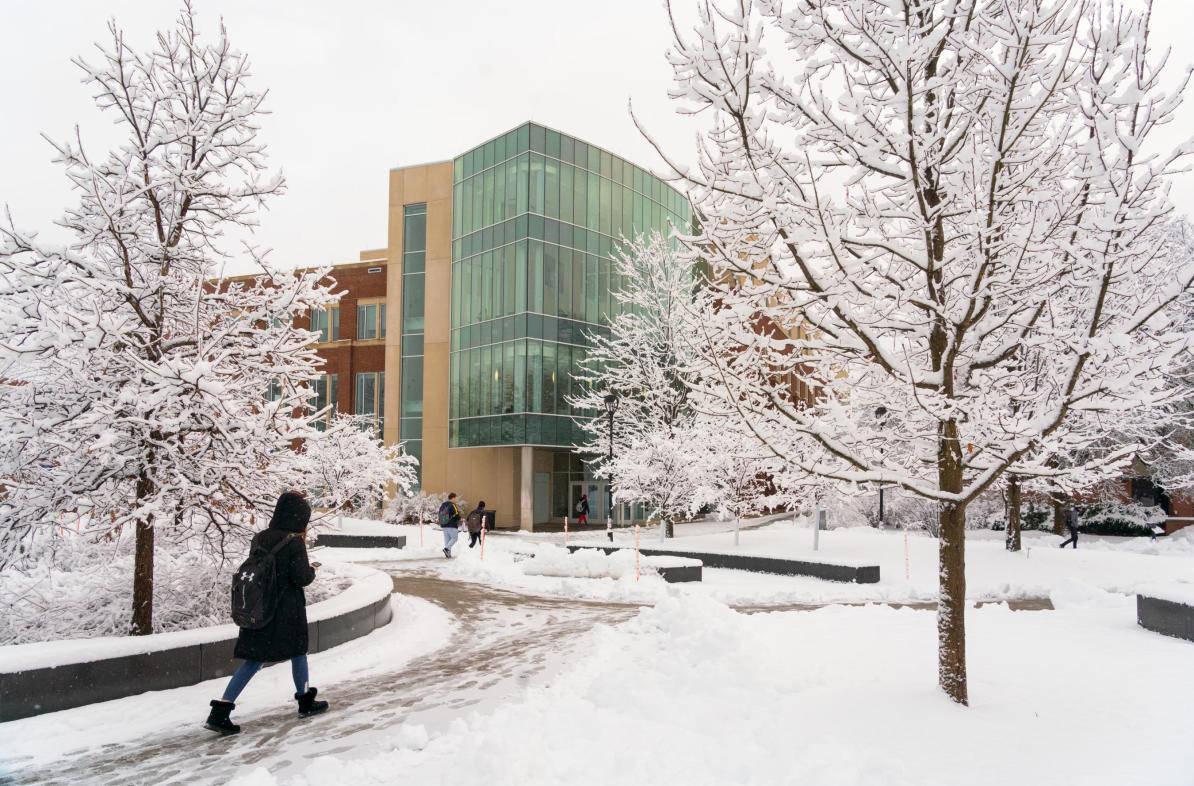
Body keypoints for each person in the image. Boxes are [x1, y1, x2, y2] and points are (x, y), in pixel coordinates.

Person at [204, 491, 329, 735]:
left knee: (253, 661)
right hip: (286, 613)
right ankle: (305, 701)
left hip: (260, 609)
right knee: (298, 652)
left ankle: (220, 711)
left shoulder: (260, 538)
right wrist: (313, 569)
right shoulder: (294, 542)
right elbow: (301, 578)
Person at [438, 492, 462, 558]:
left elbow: (439, 513)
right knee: (454, 538)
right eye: (455, 498)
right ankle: (446, 549)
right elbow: (456, 514)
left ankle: (448, 554)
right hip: (451, 524)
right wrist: (460, 519)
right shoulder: (452, 505)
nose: (456, 499)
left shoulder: (443, 505)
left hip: (444, 525)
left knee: (447, 540)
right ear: (453, 498)